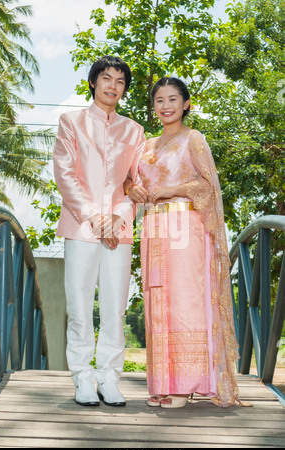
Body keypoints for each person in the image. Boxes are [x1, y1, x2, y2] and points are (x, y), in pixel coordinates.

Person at [124, 77, 242, 408]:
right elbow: (129, 180)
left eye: (172, 99)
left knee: (185, 301)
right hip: (154, 229)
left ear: (186, 104)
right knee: (158, 302)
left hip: (185, 226)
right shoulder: (146, 145)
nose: (166, 106)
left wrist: (170, 190)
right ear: (153, 106)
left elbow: (208, 186)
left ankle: (186, 386)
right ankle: (164, 384)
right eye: (159, 100)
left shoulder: (194, 139)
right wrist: (132, 189)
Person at [53, 56, 146, 407]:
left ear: (124, 88)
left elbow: (136, 182)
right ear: (93, 82)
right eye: (106, 78)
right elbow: (66, 174)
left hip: (119, 232)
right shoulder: (71, 122)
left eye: (120, 81)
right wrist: (95, 217)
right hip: (80, 227)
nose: (112, 86)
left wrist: (119, 218)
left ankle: (109, 377)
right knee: (79, 305)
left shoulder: (134, 131)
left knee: (114, 307)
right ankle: (82, 378)